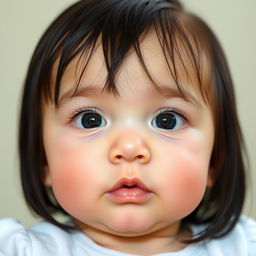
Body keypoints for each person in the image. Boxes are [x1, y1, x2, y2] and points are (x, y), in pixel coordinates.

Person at [1, 0, 255, 255]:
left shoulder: (242, 246)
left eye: (167, 120)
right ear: (43, 157)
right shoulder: (22, 250)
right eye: (91, 119)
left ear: (214, 159)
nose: (130, 147)